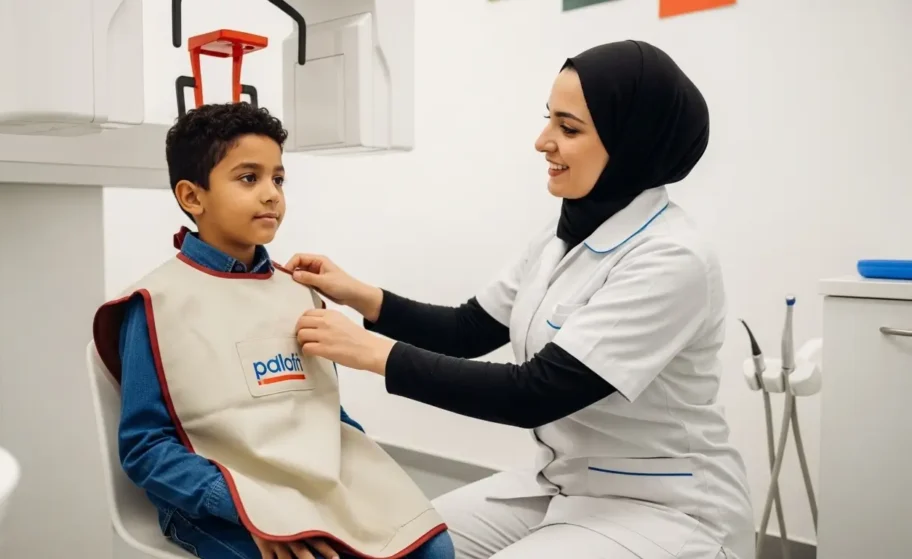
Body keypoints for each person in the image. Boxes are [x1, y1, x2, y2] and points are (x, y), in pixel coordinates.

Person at [285, 40, 754, 559]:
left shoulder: (672, 259)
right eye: (548, 119)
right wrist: (360, 295)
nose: (541, 141)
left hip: (661, 507)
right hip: (561, 485)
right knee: (399, 546)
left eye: (568, 128)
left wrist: (372, 355)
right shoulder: (562, 236)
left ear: (632, 143)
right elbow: (469, 330)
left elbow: (536, 392)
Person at [91, 103, 455, 559]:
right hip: (215, 498)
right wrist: (251, 512)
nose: (271, 195)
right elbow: (146, 449)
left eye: (278, 179)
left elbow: (325, 415)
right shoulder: (152, 305)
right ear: (192, 197)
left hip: (307, 485)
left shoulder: (299, 292)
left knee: (433, 551)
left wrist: (350, 497)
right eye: (249, 178)